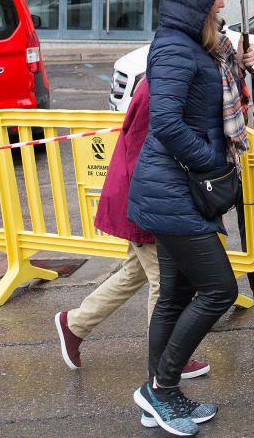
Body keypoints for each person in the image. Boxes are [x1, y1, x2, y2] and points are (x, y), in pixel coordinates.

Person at [126, 0, 254, 437]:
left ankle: (161, 394)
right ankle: (160, 389)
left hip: (173, 190)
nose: (222, 3)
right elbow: (167, 124)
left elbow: (215, 95)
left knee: (175, 296)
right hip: (173, 191)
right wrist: (213, 161)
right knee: (219, 289)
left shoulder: (200, 46)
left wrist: (239, 63)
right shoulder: (175, 50)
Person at [53, 77, 210, 385]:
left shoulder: (158, 79)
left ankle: (74, 324)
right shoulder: (164, 86)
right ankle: (166, 360)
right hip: (147, 197)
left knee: (135, 273)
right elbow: (150, 148)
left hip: (139, 193)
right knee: (165, 284)